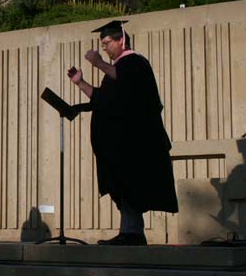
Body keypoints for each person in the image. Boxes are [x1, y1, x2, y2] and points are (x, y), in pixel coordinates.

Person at [68, 20, 178, 246]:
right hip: (118, 146)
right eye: (103, 43)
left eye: (107, 42)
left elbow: (127, 81)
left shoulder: (136, 63)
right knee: (121, 187)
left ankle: (132, 233)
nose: (104, 47)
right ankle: (130, 231)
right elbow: (102, 98)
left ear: (122, 40)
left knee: (130, 185)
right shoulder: (115, 71)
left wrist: (98, 63)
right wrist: (80, 83)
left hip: (136, 144)